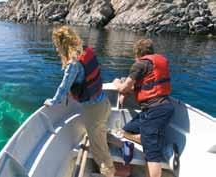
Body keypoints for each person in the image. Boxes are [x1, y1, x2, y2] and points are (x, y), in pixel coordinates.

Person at [44, 26, 132, 177]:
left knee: (99, 150)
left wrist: (53, 101)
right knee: (100, 132)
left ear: (61, 45)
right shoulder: (87, 50)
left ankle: (109, 173)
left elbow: (64, 87)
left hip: (94, 110)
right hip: (104, 103)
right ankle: (124, 144)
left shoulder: (73, 64)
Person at [113, 39, 175, 177]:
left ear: (137, 53)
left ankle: (151, 142)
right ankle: (145, 138)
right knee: (125, 130)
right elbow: (148, 84)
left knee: (151, 154)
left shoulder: (140, 64)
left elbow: (124, 88)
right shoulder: (154, 63)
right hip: (155, 109)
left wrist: (116, 83)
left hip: (156, 111)